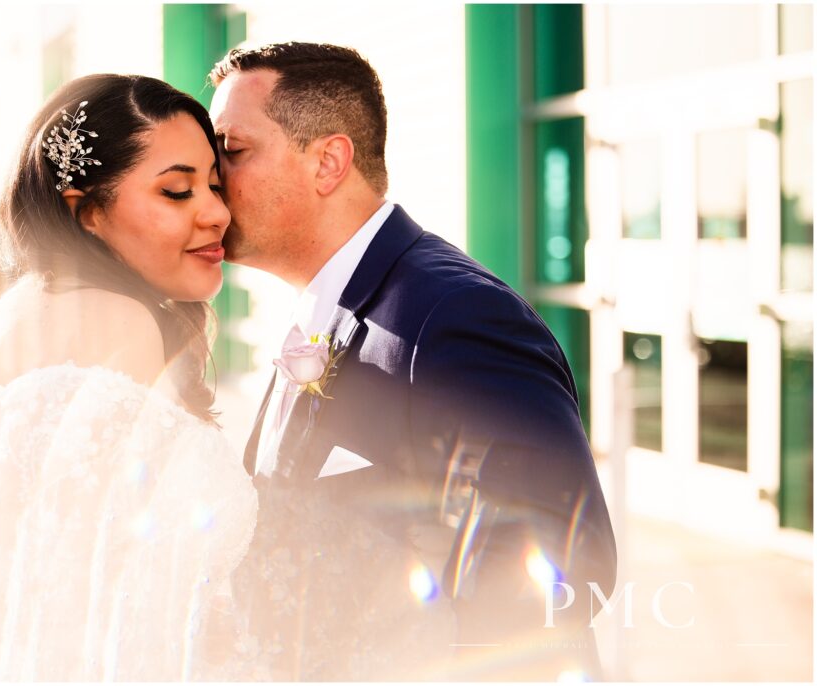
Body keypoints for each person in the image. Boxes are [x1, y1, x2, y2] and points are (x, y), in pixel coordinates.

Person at [208, 42, 618, 680]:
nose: (212, 177)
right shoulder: (325, 306)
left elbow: (566, 566)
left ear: (329, 162)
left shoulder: (454, 315)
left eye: (232, 150)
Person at [0, 74, 257, 681]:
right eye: (178, 191)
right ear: (88, 213)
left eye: (214, 184)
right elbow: (88, 594)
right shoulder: (117, 321)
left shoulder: (16, 310)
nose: (217, 213)